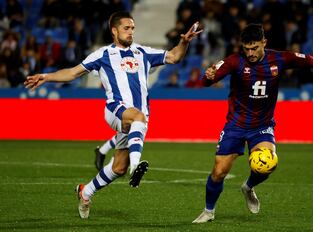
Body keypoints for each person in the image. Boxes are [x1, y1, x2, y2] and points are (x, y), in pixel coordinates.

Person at [24, 11, 202, 219]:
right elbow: (73, 72)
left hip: (137, 119)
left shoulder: (142, 52)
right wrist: (45, 77)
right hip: (116, 109)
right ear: (114, 31)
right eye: (126, 28)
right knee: (137, 118)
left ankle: (85, 192)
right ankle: (136, 166)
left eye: (133, 28)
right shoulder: (103, 54)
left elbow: (174, 56)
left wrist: (185, 42)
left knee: (118, 167)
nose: (131, 32)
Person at [192, 24, 313, 223]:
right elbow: (207, 80)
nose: (250, 53)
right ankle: (208, 211)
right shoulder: (234, 61)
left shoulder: (280, 59)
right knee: (219, 172)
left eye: (254, 48)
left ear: (264, 43)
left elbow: (310, 60)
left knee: (267, 164)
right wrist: (208, 77)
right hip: (235, 125)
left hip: (261, 126)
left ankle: (248, 187)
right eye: (246, 48)